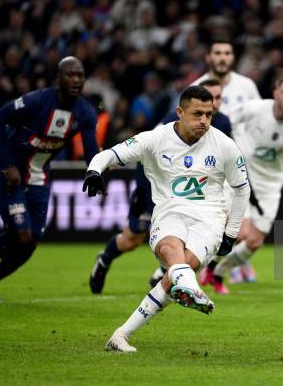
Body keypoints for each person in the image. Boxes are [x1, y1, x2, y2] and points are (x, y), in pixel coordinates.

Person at [82, 86, 250, 353]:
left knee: (178, 273)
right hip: (168, 212)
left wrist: (230, 233)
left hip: (209, 219)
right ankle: (191, 288)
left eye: (209, 114)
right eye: (198, 114)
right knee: (174, 255)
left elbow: (242, 188)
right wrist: (94, 170)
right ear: (180, 112)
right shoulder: (155, 138)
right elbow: (109, 155)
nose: (204, 121)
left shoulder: (224, 145)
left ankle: (120, 335)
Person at [0, 56, 98, 303]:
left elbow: (91, 153)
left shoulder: (86, 112)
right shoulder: (37, 101)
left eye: (80, 75)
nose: (76, 79)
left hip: (39, 175)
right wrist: (8, 164)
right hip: (10, 172)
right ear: (58, 78)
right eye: (71, 74)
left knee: (32, 240)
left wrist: (99, 169)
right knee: (21, 233)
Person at [89, 78, 232, 294]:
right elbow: (147, 150)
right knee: (132, 239)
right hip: (153, 186)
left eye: (218, 98)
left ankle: (164, 274)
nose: (214, 103)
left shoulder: (222, 124)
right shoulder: (170, 123)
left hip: (187, 192)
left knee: (188, 235)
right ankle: (105, 259)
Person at [200, 75, 283, 294]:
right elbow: (225, 121)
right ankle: (190, 267)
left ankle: (216, 271)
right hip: (239, 175)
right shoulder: (255, 109)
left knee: (254, 242)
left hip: (270, 186)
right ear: (276, 93)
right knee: (236, 230)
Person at [192, 39, 261, 283]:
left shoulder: (247, 86)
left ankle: (235, 265)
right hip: (210, 168)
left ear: (233, 57)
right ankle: (214, 267)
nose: (222, 57)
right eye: (218, 53)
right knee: (215, 222)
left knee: (245, 226)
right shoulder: (196, 86)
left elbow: (259, 119)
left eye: (227, 53)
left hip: (244, 163)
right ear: (209, 56)